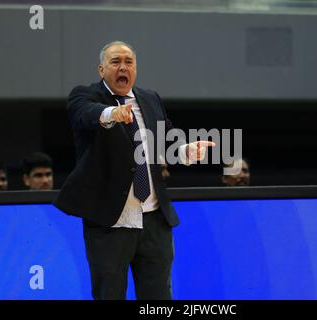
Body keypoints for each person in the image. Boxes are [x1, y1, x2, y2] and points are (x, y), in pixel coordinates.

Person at [54, 40, 214, 300]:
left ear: (135, 68)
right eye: (115, 62)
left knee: (159, 298)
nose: (123, 67)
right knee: (110, 295)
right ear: (101, 69)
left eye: (129, 62)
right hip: (110, 221)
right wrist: (112, 113)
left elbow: (166, 138)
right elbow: (86, 115)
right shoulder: (85, 95)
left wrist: (186, 151)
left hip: (153, 219)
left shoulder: (150, 99)